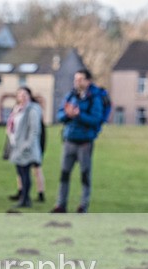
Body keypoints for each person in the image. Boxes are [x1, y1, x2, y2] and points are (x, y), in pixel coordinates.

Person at [51, 69, 104, 213]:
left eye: (80, 79)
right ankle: (60, 205)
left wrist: (79, 115)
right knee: (64, 174)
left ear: (88, 81)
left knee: (85, 175)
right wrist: (68, 115)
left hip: (85, 143)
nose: (77, 82)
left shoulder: (94, 98)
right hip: (69, 140)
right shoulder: (70, 96)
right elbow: (60, 115)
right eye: (76, 79)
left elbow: (96, 119)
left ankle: (83, 206)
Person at [7, 86, 43, 208]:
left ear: (29, 95)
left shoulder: (33, 109)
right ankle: (23, 197)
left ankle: (25, 199)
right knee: (20, 173)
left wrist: (27, 145)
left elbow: (34, 129)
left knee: (25, 173)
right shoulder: (18, 109)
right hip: (16, 145)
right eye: (19, 95)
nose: (22, 97)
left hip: (26, 148)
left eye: (24, 94)